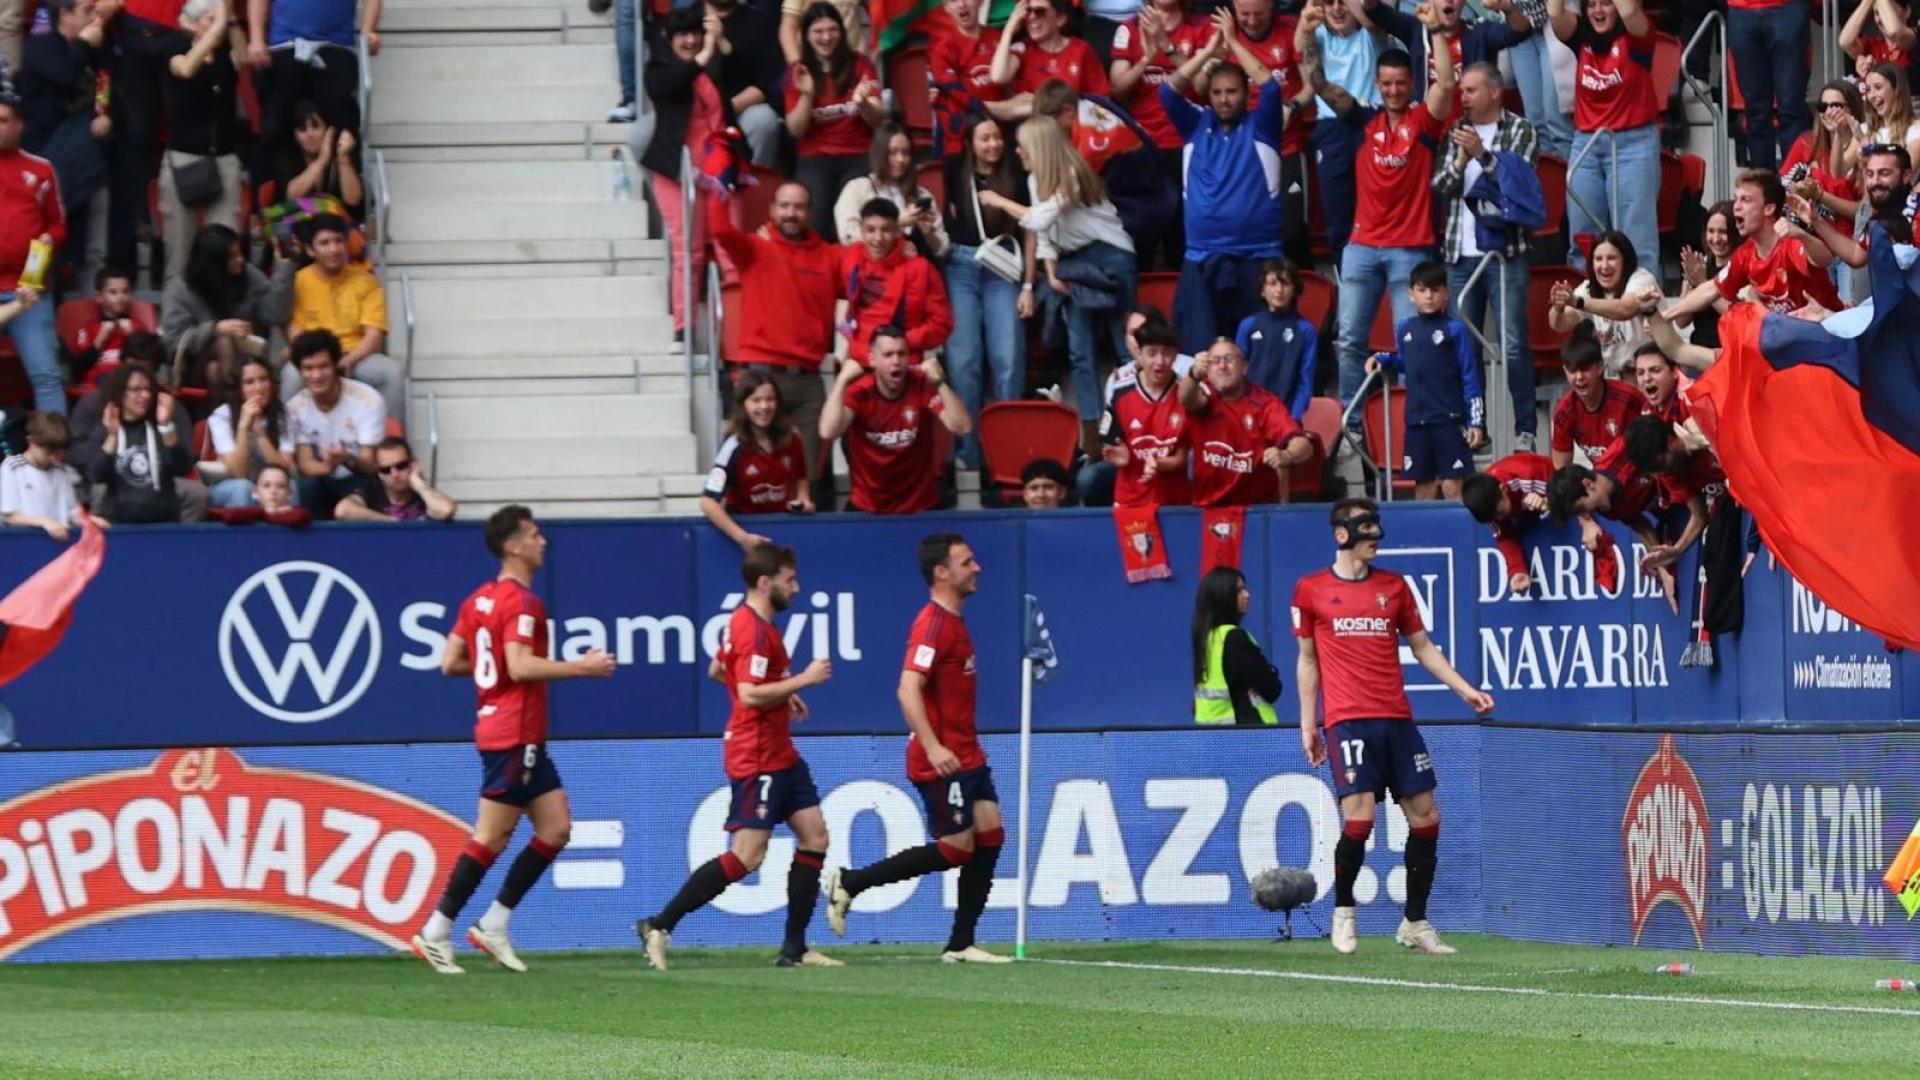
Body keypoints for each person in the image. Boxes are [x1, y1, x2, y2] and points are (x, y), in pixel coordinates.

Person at [412, 506, 618, 974]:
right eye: (534, 534)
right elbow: (522, 666)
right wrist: (581, 668)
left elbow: (450, 662)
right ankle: (436, 930)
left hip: (510, 729)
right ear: (513, 546)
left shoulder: (479, 600)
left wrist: (495, 675)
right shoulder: (523, 603)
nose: (543, 540)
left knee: (556, 829)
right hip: (513, 731)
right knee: (491, 835)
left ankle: (493, 924)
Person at [1292, 497, 1493, 955]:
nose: (1375, 543)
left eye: (1377, 534)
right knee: (1360, 818)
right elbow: (1307, 660)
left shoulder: (1394, 587)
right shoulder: (1311, 590)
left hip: (1397, 719)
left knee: (1426, 817)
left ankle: (1415, 922)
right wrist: (1309, 724)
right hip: (1348, 720)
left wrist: (1464, 689)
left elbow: (1423, 647)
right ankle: (1343, 912)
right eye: (1367, 535)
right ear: (1342, 535)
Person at [639, 543, 841, 971]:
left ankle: (795, 948)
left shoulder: (748, 623)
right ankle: (659, 924)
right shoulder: (751, 629)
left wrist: (787, 692)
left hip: (780, 752)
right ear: (766, 582)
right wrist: (802, 679)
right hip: (757, 754)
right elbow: (748, 693)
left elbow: (719, 670)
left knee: (815, 835)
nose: (797, 588)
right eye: (790, 580)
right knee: (747, 856)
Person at [825, 533, 1011, 964]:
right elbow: (908, 688)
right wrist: (932, 747)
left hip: (968, 753)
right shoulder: (932, 624)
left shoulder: (954, 621)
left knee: (991, 834)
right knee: (955, 849)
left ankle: (961, 944)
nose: (977, 568)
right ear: (942, 573)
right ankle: (851, 882)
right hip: (943, 759)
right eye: (967, 562)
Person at [1309, 24, 1455, 417]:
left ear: (1411, 84)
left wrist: (1438, 32)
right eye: (1386, 83)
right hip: (1362, 248)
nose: (1393, 90)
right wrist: (1307, 32)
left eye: (1401, 83)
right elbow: (1318, 81)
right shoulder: (1361, 121)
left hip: (1409, 249)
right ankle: (1353, 422)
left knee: (1412, 341)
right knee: (1352, 340)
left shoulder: (1423, 123)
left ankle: (1413, 419)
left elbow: (1445, 86)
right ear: (1377, 83)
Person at [981, 118, 1136, 452]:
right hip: (1074, 264)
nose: (1017, 151)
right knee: (1080, 351)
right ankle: (1093, 438)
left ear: (1040, 147)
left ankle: (1135, 423)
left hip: (1110, 259)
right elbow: (1046, 234)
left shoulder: (1071, 173)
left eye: (1023, 145)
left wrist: (999, 201)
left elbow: (1038, 218)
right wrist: (1051, 272)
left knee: (1125, 347)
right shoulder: (1037, 179)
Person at [1159, 33, 1298, 355]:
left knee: (1258, 352)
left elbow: (1272, 86)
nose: (1223, 99)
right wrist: (1207, 51)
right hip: (1201, 256)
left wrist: (1234, 44)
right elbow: (1168, 92)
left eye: (1232, 92)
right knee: (1200, 353)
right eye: (1217, 93)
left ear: (1245, 94)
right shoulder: (1195, 123)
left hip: (1259, 256)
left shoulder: (1263, 124)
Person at [709, 181, 840, 504]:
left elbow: (867, 265)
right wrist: (718, 185)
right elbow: (720, 230)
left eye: (798, 207)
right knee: (748, 471)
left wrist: (903, 244)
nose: (790, 213)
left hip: (808, 381)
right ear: (771, 210)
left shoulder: (829, 256)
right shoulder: (756, 247)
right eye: (784, 206)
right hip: (761, 377)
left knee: (812, 475)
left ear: (809, 212)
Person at [1432, 61, 1536, 452]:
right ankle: (1475, 427)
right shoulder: (1455, 132)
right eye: (1462, 92)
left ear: (1495, 91)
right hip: (1460, 254)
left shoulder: (1520, 129)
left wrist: (1483, 156)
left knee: (1513, 345)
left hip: (1506, 254)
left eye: (1471, 91)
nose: (1464, 98)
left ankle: (1525, 430)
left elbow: (1519, 185)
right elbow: (1441, 185)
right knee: (1465, 347)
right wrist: (1461, 160)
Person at [942, 116, 1031, 467]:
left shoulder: (1017, 174)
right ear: (970, 143)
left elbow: (1031, 228)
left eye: (997, 138)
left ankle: (1005, 454)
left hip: (1004, 266)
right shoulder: (953, 169)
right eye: (985, 138)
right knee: (964, 361)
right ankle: (969, 453)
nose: (993, 145)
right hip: (962, 265)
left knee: (1007, 358)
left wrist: (1028, 284)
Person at [640, 7, 734, 342]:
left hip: (716, 171)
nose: (691, 40)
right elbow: (672, 88)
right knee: (687, 248)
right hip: (675, 173)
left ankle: (735, 327)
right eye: (683, 35)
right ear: (670, 39)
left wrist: (718, 43)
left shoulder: (712, 66)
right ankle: (684, 326)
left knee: (727, 246)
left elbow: (727, 110)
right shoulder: (659, 68)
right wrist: (702, 57)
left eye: (695, 33)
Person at [1546, 0, 1660, 269]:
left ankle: (1640, 309)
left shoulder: (1637, 37)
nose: (1598, 11)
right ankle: (1583, 310)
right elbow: (1554, 13)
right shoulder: (1581, 38)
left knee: (1636, 241)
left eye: (1606, 4)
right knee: (1583, 240)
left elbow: (1631, 11)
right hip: (1586, 143)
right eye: (1591, 5)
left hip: (1633, 144)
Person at [1364, 260, 1485, 499]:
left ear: (1446, 294)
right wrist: (1383, 359)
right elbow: (1406, 363)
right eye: (1422, 290)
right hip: (1417, 420)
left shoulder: (1455, 330)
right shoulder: (1405, 328)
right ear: (1411, 295)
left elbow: (1470, 376)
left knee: (1453, 485)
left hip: (1449, 419)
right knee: (1424, 487)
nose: (1428, 296)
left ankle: (1458, 536)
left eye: (1435, 290)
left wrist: (1476, 422)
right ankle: (1427, 538)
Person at [819, 327, 973, 514]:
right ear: (872, 360)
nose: (896, 361)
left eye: (901, 354)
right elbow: (828, 431)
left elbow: (962, 427)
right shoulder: (860, 392)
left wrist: (940, 383)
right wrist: (842, 380)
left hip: (920, 505)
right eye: (888, 355)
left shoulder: (921, 384)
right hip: (868, 506)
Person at [1664, 171, 1841, 323]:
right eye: (1736, 200)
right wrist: (1667, 315)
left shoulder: (1790, 241)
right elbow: (1711, 289)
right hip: (1788, 341)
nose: (1736, 207)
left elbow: (1824, 258)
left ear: (1769, 209)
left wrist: (1802, 235)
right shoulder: (1745, 254)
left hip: (1826, 338)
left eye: (1746, 200)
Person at [158, 0, 242, 285]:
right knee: (181, 250)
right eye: (209, 20)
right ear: (193, 24)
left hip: (223, 157)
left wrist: (230, 22)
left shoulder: (225, 54)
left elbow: (245, 61)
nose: (217, 26)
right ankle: (178, 321)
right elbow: (186, 69)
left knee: (226, 246)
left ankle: (226, 317)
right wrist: (214, 28)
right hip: (185, 158)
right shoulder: (174, 48)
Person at [289, 214, 404, 419]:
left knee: (391, 372)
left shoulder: (367, 282)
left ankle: (390, 444)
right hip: (312, 356)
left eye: (338, 241)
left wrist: (349, 360)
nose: (333, 248)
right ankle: (286, 443)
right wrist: (320, 363)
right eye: (324, 243)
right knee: (290, 375)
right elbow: (294, 332)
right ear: (310, 249)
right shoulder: (297, 282)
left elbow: (374, 336)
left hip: (356, 356)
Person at [1295, 0, 1383, 266]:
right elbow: (1300, 47)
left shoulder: (1371, 34)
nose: (1336, 9)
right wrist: (1309, 18)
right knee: (1338, 213)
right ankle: (1346, 282)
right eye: (1329, 3)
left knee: (1378, 209)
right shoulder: (1319, 35)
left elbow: (1371, 20)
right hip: (1332, 126)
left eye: (1342, 2)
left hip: (1371, 120)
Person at [786, 3, 885, 238]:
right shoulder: (798, 71)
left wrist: (862, 103)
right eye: (818, 31)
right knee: (815, 225)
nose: (826, 37)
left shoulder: (861, 65)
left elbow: (878, 120)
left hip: (858, 153)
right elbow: (795, 129)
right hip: (815, 156)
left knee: (855, 226)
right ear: (806, 36)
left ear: (842, 32)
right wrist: (808, 95)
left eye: (832, 30)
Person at [1179, 338, 1317, 506]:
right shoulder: (1203, 394)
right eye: (1215, 361)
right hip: (1207, 507)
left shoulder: (1265, 403)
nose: (1222, 366)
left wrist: (1286, 455)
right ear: (1207, 370)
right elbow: (1186, 399)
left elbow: (1303, 444)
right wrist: (1193, 374)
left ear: (1244, 367)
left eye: (1229, 359)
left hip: (1255, 509)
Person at [0, 93, 69, 417]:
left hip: (27, 292)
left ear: (19, 126)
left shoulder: (41, 170)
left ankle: (54, 458)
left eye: (3, 121)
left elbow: (58, 224)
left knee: (46, 376)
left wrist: (49, 238)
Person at [1362, 0, 1530, 121]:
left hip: (1470, 130)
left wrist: (1506, 6)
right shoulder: (1416, 29)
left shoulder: (1479, 32)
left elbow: (1518, 31)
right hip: (1426, 131)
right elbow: (1374, 11)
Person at [75, 360, 198, 524]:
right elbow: (97, 475)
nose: (145, 395)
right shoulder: (106, 429)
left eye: (147, 389)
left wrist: (166, 427)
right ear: (121, 393)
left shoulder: (161, 428)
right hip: (120, 525)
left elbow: (182, 468)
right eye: (136, 390)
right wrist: (112, 436)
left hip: (162, 524)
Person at [701, 371, 813, 549]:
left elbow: (801, 475)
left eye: (770, 399)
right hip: (746, 530)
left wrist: (803, 500)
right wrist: (742, 538)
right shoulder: (732, 445)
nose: (764, 406)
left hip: (783, 529)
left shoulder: (793, 438)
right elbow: (707, 502)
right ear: (743, 405)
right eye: (756, 400)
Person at [158, 223, 291, 372]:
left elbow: (275, 313)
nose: (240, 260)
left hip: (247, 361)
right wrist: (214, 329)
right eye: (233, 256)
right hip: (193, 366)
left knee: (215, 370)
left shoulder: (247, 274)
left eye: (240, 253)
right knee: (223, 344)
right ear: (214, 263)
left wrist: (285, 266)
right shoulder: (179, 290)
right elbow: (172, 342)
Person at [1793, 143, 1911, 306]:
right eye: (1870, 174)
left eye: (1884, 173)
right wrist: (1815, 220)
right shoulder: (1877, 216)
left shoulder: (1915, 208)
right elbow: (1856, 255)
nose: (1875, 181)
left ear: (1906, 176)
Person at [284, 329, 385, 518]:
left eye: (323, 367)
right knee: (307, 485)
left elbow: (370, 464)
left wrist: (346, 458)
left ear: (336, 365)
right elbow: (306, 464)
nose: (316, 375)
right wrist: (329, 465)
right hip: (323, 479)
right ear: (300, 371)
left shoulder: (368, 399)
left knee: (371, 482)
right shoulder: (295, 407)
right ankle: (316, 546)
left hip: (359, 478)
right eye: (308, 368)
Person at [840, 198, 953, 366]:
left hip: (902, 364)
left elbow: (942, 324)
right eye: (871, 230)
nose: (878, 238)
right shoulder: (849, 258)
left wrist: (902, 341)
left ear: (897, 231)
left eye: (886, 230)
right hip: (858, 362)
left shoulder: (921, 269)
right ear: (862, 231)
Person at [1095, 315, 1191, 508]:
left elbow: (1181, 459)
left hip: (1175, 501)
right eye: (1152, 353)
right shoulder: (1119, 391)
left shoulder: (1186, 395)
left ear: (1176, 356)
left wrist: (1156, 462)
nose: (1160, 361)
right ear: (1139, 354)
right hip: (1130, 500)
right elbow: (1108, 444)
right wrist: (1120, 455)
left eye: (1167, 353)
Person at [1546, 230, 1662, 376]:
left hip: (1655, 372)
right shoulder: (1589, 288)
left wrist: (1577, 301)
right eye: (1598, 259)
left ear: (1625, 260)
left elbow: (1625, 309)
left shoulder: (1641, 279)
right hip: (1621, 375)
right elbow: (1560, 324)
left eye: (1611, 258)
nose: (1604, 266)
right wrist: (1558, 307)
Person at [833, 120, 950, 257]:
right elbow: (848, 236)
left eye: (906, 153)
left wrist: (929, 235)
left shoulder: (921, 193)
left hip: (915, 269)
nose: (901, 159)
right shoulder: (857, 188)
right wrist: (897, 223)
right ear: (880, 153)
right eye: (892, 153)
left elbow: (943, 248)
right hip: (872, 270)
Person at [928, 0, 1027, 156]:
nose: (961, 4)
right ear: (946, 7)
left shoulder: (999, 38)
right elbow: (955, 94)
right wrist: (999, 109)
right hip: (964, 142)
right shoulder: (943, 49)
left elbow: (1010, 88)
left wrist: (1012, 108)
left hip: (1002, 137)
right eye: (953, 1)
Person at [1192, 565, 1282, 725]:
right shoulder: (1234, 639)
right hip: (1247, 736)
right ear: (1223, 597)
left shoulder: (1208, 639)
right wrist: (1271, 672)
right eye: (1239, 591)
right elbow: (1272, 689)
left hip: (1214, 737)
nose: (1247, 595)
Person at [1725, 0, 1809, 171]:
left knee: (1791, 106)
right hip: (1741, 10)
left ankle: (1795, 184)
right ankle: (1762, 188)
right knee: (1755, 111)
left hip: (1786, 7)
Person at [206, 356, 295, 508]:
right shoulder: (221, 416)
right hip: (228, 486)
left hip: (269, 484)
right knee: (243, 487)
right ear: (239, 388)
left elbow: (284, 470)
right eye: (249, 382)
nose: (258, 387)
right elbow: (238, 473)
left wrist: (260, 434)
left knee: (290, 487)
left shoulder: (285, 416)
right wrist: (243, 427)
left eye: (263, 379)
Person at [1235, 258, 1316, 423]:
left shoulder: (1305, 330)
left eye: (1285, 283)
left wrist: (1294, 417)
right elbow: (1237, 373)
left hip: (1285, 415)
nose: (1279, 290)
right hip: (1250, 414)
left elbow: (1305, 380)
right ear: (1262, 290)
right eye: (1272, 284)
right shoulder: (1248, 325)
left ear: (1294, 289)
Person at [1461, 451, 1553, 594]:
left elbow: (1571, 488)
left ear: (1503, 489)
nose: (1499, 519)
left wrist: (1548, 501)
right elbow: (1505, 535)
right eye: (1494, 518)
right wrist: (1517, 571)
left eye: (1499, 513)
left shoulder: (1529, 473)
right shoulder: (1487, 504)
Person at [1547, 331, 1639, 468]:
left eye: (1585, 369)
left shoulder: (1629, 398)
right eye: (1573, 371)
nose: (1579, 377)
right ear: (1565, 371)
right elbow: (1561, 469)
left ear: (1600, 367)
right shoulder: (1563, 411)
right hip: (1603, 481)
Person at [991, 0, 1111, 99]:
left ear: (1060, 19)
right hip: (1030, 123)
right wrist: (1008, 30)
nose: (1032, 17)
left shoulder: (1081, 50)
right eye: (1028, 11)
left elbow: (1102, 96)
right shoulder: (1023, 48)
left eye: (1040, 12)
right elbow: (999, 77)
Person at [1, 412, 87, 541]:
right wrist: (44, 522)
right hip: (23, 543)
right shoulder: (12, 467)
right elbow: (10, 516)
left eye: (58, 453)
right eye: (49, 452)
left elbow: (73, 514)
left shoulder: (61, 470)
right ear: (31, 441)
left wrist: (90, 522)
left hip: (60, 546)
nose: (52, 458)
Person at [275, 100, 364, 219]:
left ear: (328, 130)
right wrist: (322, 160)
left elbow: (353, 200)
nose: (310, 134)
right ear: (295, 135)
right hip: (300, 228)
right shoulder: (287, 157)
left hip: (336, 228)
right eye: (302, 129)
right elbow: (292, 195)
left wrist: (343, 158)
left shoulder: (341, 152)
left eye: (316, 126)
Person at [335, 436, 458, 522]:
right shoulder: (373, 491)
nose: (394, 474)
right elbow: (343, 511)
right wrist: (391, 522)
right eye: (386, 470)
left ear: (413, 464)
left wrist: (420, 485)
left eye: (401, 466)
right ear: (379, 472)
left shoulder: (424, 495)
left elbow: (446, 510)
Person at [65, 267, 144, 384]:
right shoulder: (89, 329)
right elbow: (78, 367)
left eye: (125, 291)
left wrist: (132, 336)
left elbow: (149, 362)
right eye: (113, 292)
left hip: (130, 382)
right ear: (99, 297)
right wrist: (100, 339)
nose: (120, 297)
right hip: (98, 385)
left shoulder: (137, 327)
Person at [1676, 201, 1739, 349]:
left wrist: (1703, 282)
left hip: (1729, 354)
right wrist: (1690, 281)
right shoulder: (1702, 267)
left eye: (1723, 232)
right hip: (1699, 354)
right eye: (1711, 231)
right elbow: (1681, 321)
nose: (1716, 239)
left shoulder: (1743, 267)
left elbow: (1736, 317)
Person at [210, 462, 311, 527]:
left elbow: (300, 516)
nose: (273, 491)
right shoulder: (247, 514)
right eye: (266, 485)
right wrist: (264, 513)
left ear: (290, 494)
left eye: (280, 486)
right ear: (255, 492)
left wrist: (271, 514)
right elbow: (230, 515)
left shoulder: (292, 512)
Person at [1861, 63, 1920, 167]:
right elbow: (1837, 172)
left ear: (1896, 89)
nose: (1871, 96)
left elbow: (1902, 173)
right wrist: (1839, 135)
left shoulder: (1916, 129)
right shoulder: (1865, 129)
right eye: (1868, 90)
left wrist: (1869, 154)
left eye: (1878, 87)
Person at [1840, 0, 1915, 79]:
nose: (1881, 19)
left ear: (1907, 11)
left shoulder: (1914, 37)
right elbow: (1845, 42)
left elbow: (1894, 31)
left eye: (1887, 12)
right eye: (1877, 13)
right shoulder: (1874, 44)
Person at [1632, 342, 1686, 423]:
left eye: (1655, 370)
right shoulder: (1646, 410)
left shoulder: (1691, 403)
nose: (1647, 378)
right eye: (1640, 373)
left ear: (1675, 371)